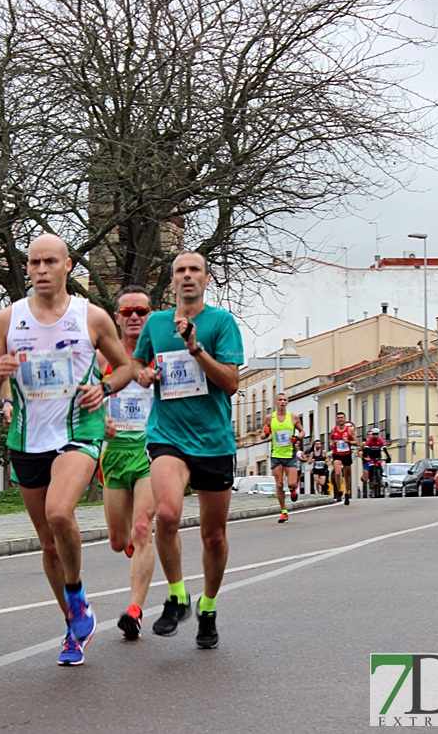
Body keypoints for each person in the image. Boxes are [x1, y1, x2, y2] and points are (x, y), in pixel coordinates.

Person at [0, 233, 135, 666]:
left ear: (67, 266)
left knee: (59, 512)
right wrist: (0, 374)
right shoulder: (8, 320)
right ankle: (73, 621)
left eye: (50, 262)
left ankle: (74, 593)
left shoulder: (92, 317)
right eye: (34, 263)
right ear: (27, 269)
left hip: (79, 430)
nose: (42, 270)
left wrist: (103, 389)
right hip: (28, 438)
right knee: (48, 544)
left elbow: (125, 367)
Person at [135, 251, 242, 649]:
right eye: (180, 271)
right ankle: (177, 594)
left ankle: (208, 606)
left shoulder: (221, 323)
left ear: (207, 279)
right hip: (168, 435)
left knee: (213, 536)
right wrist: (144, 374)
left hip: (213, 441)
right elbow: (138, 367)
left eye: (194, 270)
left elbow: (231, 382)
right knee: (166, 514)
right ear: (173, 280)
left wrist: (196, 348)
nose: (187, 276)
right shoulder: (156, 323)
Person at [96, 286, 157, 641]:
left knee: (141, 528)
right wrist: (96, 424)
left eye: (141, 310)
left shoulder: (160, 355)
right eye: (127, 311)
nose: (134, 316)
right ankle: (135, 551)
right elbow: (85, 400)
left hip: (150, 451)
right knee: (119, 540)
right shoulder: (105, 358)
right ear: (117, 317)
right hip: (115, 453)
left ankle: (134, 610)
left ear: (149, 315)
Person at [262, 393, 303, 524]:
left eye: (285, 400)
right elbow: (262, 435)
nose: (282, 402)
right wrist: (266, 433)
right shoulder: (269, 418)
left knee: (291, 483)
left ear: (287, 402)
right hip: (276, 455)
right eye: (280, 400)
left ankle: (292, 490)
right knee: (279, 485)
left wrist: (297, 438)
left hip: (290, 454)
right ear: (275, 402)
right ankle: (283, 512)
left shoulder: (293, 417)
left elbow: (302, 432)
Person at [329, 412, 358, 505]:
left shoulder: (349, 430)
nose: (340, 419)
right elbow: (331, 439)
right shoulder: (333, 430)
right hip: (337, 453)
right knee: (337, 473)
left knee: (347, 476)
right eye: (338, 418)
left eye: (342, 417)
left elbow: (356, 442)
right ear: (336, 419)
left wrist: (348, 441)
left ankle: (347, 493)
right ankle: (339, 490)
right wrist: (331, 443)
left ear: (345, 419)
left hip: (347, 453)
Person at [361, 427, 390, 498]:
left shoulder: (381, 441)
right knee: (371, 468)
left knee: (380, 466)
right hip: (371, 457)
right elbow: (366, 451)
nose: (375, 436)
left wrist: (388, 456)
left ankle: (380, 477)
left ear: (378, 434)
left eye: (376, 434)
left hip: (378, 456)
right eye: (374, 434)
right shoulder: (369, 441)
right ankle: (371, 480)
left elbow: (385, 449)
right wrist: (365, 457)